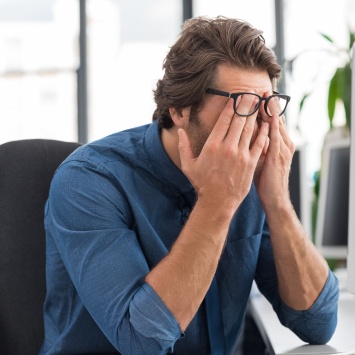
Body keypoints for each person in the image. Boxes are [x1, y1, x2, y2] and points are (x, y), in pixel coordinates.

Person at [39, 16, 339, 355]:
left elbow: (318, 323)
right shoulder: (88, 180)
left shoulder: (255, 178)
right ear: (180, 109)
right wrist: (217, 203)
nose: (258, 129)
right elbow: (143, 343)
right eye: (242, 107)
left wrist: (277, 201)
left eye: (267, 108)